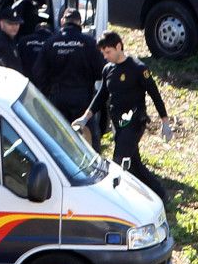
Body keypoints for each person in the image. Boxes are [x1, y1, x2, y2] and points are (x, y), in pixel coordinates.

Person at [73, 31, 173, 200]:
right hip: (118, 123)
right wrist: (85, 117)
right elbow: (101, 96)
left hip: (134, 121)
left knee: (118, 161)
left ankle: (116, 200)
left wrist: (165, 122)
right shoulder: (108, 70)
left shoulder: (138, 68)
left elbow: (155, 94)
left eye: (108, 52)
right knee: (134, 165)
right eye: (103, 53)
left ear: (119, 46)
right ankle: (161, 195)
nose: (105, 56)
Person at [33, 8, 105, 147]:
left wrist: (49, 90)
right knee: (90, 139)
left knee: (57, 139)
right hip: (84, 98)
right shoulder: (89, 43)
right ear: (80, 23)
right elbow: (101, 70)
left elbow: (38, 73)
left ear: (62, 21)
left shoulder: (50, 43)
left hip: (58, 97)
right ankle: (95, 166)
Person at [0, 7, 24, 74]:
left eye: (17, 24)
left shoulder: (10, 40)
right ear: (2, 24)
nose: (14, 27)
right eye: (10, 24)